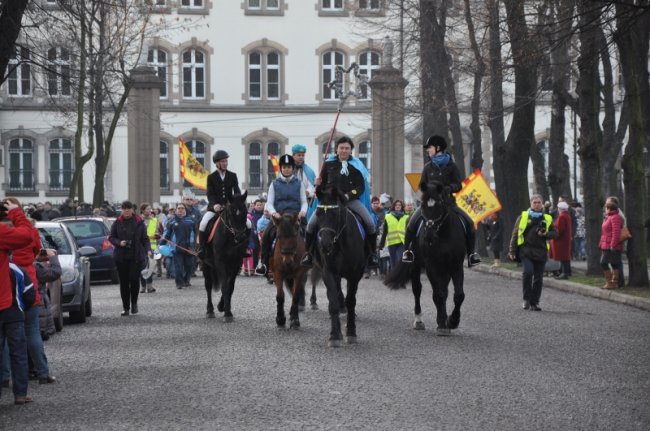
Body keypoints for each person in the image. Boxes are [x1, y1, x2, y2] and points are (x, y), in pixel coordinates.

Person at [402, 135, 481, 267]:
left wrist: (449, 188)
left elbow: (459, 185)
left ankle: (472, 254)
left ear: (438, 148)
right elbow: (422, 184)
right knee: (411, 223)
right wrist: (429, 191)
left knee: (470, 223)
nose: (428, 150)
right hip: (431, 205)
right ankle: (407, 252)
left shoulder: (452, 166)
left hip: (448, 203)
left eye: (430, 148)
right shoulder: (428, 167)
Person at [301, 136, 379, 268]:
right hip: (330, 202)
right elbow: (322, 187)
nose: (344, 150)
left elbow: (360, 186)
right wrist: (318, 184)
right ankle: (308, 254)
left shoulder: (357, 166)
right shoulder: (328, 164)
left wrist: (348, 196)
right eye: (341, 148)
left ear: (351, 151)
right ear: (336, 149)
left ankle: (371, 254)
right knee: (311, 225)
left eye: (347, 148)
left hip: (350, 201)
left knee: (370, 223)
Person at [0, 200, 37, 404]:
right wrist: (16, 214)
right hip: (7, 303)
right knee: (18, 350)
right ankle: (20, 393)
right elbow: (26, 237)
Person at [256, 154, 308, 275]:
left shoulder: (299, 183)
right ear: (281, 168)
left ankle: (309, 259)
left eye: (289, 167)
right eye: (284, 167)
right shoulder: (274, 184)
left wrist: (303, 211)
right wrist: (274, 213)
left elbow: (304, 201)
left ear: (292, 168)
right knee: (266, 236)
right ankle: (263, 263)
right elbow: (269, 203)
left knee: (309, 232)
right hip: (280, 217)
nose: (286, 169)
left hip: (295, 217)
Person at [508, 194, 558, 311]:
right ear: (530, 204)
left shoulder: (547, 218)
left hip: (541, 252)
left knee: (538, 278)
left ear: (541, 204)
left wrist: (546, 234)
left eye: (539, 202)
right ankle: (526, 299)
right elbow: (515, 234)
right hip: (526, 251)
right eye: (534, 202)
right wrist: (512, 250)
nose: (536, 205)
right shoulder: (523, 216)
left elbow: (555, 234)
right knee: (528, 273)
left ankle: (534, 302)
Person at [196, 150, 243, 259]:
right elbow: (210, 194)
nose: (225, 163)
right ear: (217, 163)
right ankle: (202, 249)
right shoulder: (211, 177)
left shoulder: (232, 176)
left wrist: (236, 202)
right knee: (203, 223)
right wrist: (214, 205)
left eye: (226, 161)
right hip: (215, 209)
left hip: (229, 208)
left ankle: (242, 248)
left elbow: (236, 191)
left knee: (248, 223)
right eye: (223, 161)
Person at [109, 201, 151, 316]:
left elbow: (145, 238)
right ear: (121, 210)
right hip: (121, 257)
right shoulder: (117, 222)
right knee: (124, 283)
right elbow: (111, 237)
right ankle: (126, 307)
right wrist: (119, 242)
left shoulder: (139, 222)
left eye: (128, 208)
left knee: (134, 280)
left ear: (132, 210)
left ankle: (134, 303)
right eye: (124, 208)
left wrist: (148, 250)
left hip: (136, 256)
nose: (126, 210)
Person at [161, 203, 197, 289]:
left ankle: (186, 280)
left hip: (189, 248)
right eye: (179, 208)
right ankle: (179, 283)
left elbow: (196, 234)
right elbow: (167, 235)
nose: (180, 210)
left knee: (189, 266)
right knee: (178, 267)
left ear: (185, 210)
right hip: (177, 248)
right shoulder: (172, 221)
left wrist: (196, 245)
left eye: (182, 208)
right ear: (176, 210)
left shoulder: (191, 220)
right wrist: (161, 243)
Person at [599, 196, 624, 289]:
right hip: (606, 244)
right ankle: (613, 282)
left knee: (604, 263)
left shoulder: (615, 217)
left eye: (605, 208)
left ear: (608, 208)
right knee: (613, 263)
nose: (604, 209)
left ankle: (611, 282)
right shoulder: (608, 217)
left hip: (611, 245)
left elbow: (616, 232)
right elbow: (605, 232)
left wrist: (613, 245)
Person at [380, 199, 408, 270]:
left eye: (399, 205)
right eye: (396, 205)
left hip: (402, 242)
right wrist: (382, 243)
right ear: (393, 206)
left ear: (402, 207)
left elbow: (409, 231)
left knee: (400, 260)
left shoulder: (406, 217)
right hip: (391, 243)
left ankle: (400, 278)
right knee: (393, 262)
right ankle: (393, 279)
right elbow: (385, 231)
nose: (398, 206)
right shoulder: (388, 216)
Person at [139, 204, 159, 293]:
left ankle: (150, 286)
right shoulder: (138, 220)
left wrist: (157, 236)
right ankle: (143, 286)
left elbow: (158, 232)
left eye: (150, 209)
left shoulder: (155, 220)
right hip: (141, 247)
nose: (149, 210)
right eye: (147, 209)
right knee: (142, 267)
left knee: (150, 267)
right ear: (142, 210)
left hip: (152, 247)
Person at [550, 201, 573, 280]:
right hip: (565, 240)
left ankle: (564, 273)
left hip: (561, 241)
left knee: (563, 258)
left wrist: (553, 234)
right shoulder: (567, 216)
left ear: (560, 209)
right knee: (565, 257)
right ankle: (566, 272)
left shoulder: (562, 217)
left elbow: (559, 230)